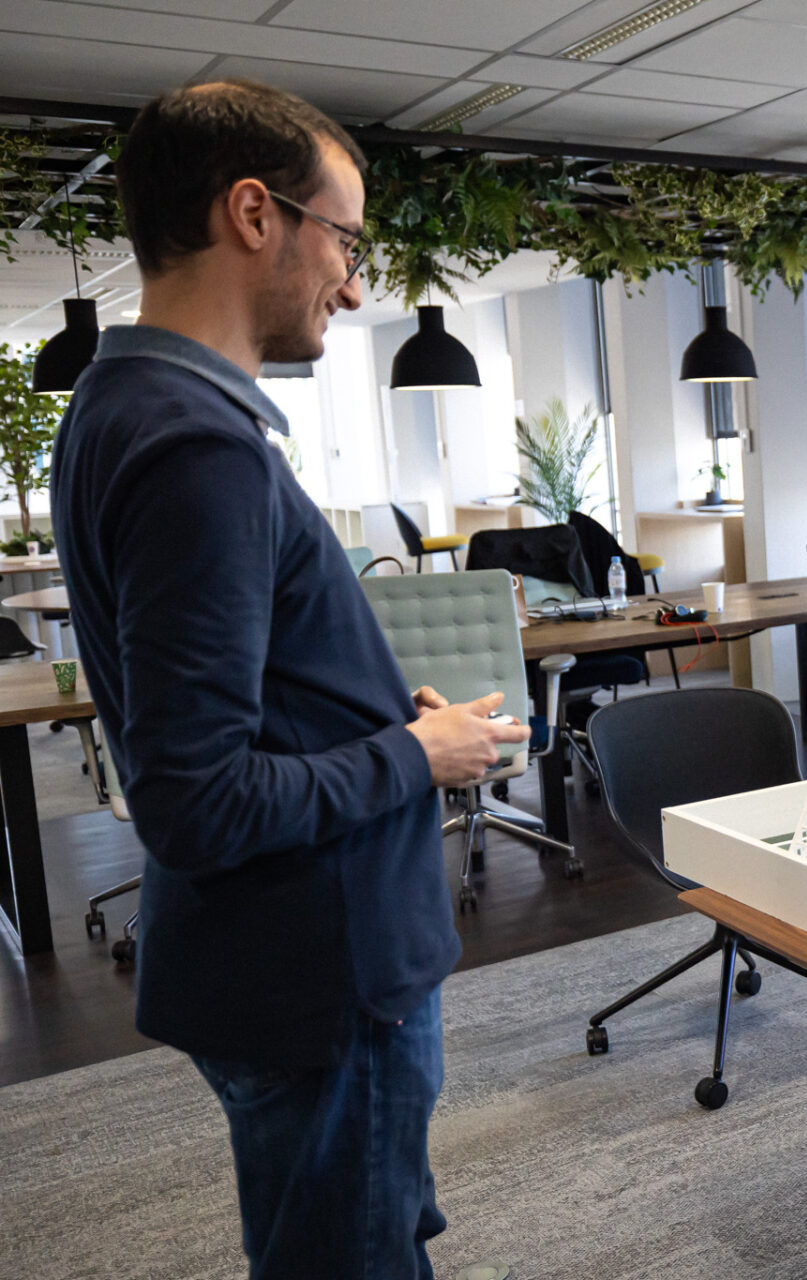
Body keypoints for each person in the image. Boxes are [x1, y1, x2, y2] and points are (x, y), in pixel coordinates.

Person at [50, 81, 528, 1277]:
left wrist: (388, 717)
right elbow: (196, 799)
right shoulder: (197, 447)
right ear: (255, 213)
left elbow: (241, 696)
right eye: (346, 241)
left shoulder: (125, 403)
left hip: (288, 957)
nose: (354, 286)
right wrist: (413, 754)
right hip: (319, 968)